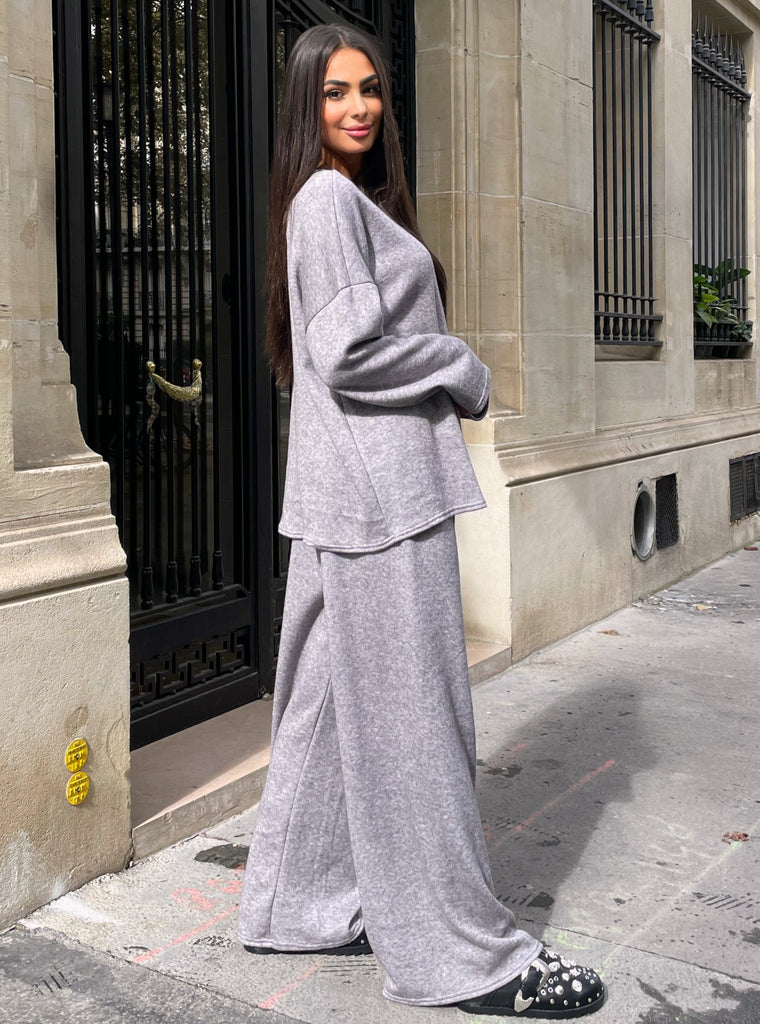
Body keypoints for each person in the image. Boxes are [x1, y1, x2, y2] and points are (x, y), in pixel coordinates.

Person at [237, 22, 606, 1020]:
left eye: (369, 89)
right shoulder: (327, 200)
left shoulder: (336, 201)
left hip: (344, 493)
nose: (358, 107)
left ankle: (295, 905)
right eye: (334, 93)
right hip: (382, 495)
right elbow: (349, 351)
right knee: (417, 729)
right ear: (306, 106)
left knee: (320, 709)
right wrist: (460, 364)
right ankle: (457, 955)